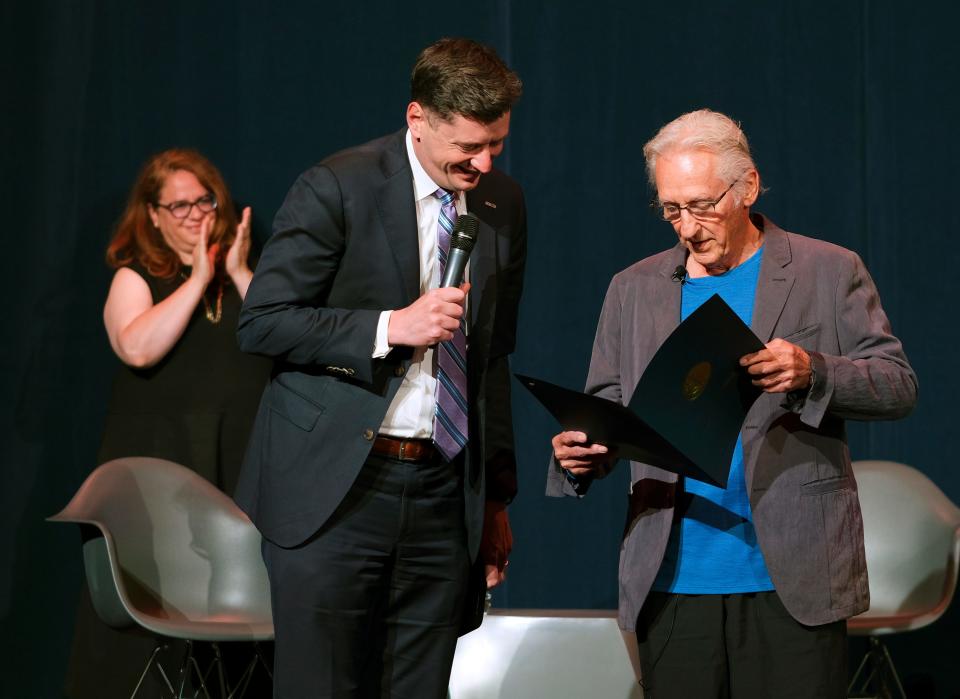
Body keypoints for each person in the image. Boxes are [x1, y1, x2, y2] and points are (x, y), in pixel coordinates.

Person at [548, 109, 917, 699]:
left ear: (747, 187)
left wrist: (813, 371)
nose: (687, 227)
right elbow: (607, 404)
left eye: (701, 205)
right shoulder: (633, 288)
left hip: (792, 574)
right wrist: (582, 449)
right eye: (671, 209)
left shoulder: (828, 269)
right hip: (671, 576)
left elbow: (897, 384)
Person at [234, 38, 526, 698]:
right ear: (417, 119)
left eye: (496, 146)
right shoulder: (339, 185)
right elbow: (264, 320)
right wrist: (389, 327)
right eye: (469, 148)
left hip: (441, 493)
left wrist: (497, 498)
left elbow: (492, 357)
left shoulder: (502, 203)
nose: (483, 163)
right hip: (337, 490)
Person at [65, 148, 272, 698]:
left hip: (237, 465)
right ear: (152, 214)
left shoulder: (248, 278)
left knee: (244, 618)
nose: (193, 215)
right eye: (177, 206)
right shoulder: (137, 276)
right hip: (161, 469)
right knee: (158, 601)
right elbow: (136, 349)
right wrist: (196, 278)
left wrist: (235, 271)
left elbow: (287, 344)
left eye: (203, 201)